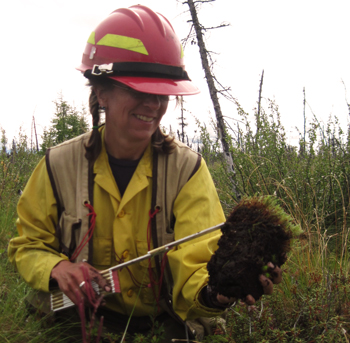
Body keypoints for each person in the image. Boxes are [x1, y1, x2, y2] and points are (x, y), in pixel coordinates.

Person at [8, 5, 282, 342]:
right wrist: (56, 267)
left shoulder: (187, 172)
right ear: (101, 92)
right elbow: (28, 245)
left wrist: (219, 291)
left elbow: (196, 262)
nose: (153, 104)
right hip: (78, 315)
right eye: (139, 90)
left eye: (162, 92)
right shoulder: (57, 166)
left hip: (160, 322)